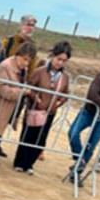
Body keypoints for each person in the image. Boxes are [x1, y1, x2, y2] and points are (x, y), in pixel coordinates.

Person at [13, 42, 71, 174]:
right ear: (53, 56)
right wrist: (36, 98)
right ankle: (19, 162)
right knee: (27, 136)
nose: (60, 63)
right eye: (59, 59)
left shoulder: (65, 77)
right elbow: (30, 87)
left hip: (49, 113)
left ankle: (29, 164)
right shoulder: (39, 72)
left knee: (40, 139)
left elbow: (65, 94)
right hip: (34, 110)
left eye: (64, 61)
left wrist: (59, 102)